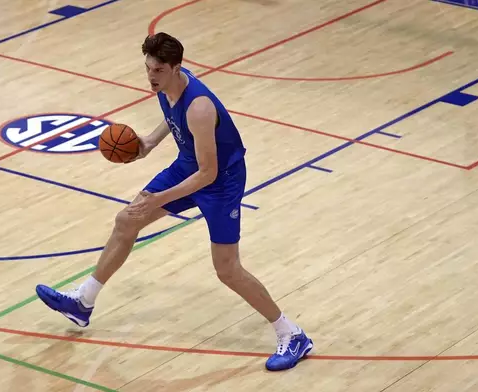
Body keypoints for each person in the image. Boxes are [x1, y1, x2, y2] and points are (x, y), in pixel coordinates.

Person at [36, 32, 313, 371]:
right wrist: (150, 141)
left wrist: (157, 201)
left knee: (227, 270)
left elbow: (208, 174)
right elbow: (173, 119)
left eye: (158, 70)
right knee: (127, 221)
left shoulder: (199, 107)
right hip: (189, 164)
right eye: (148, 69)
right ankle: (83, 302)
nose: (151, 77)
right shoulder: (169, 86)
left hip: (221, 181)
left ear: (176, 68)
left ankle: (292, 333)